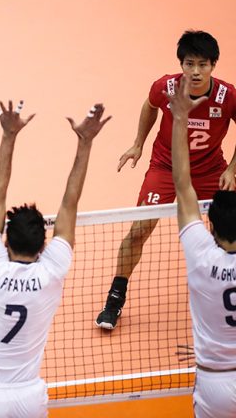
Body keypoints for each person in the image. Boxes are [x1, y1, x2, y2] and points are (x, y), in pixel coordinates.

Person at [0, 100, 109, 417]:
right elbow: (70, 205)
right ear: (44, 246)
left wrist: (9, 136)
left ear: (5, 241)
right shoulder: (52, 271)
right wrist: (85, 142)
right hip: (29, 397)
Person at [96, 30, 236, 330]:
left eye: (202, 64)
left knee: (228, 233)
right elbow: (149, 105)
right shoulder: (166, 87)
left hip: (211, 170)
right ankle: (115, 297)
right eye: (189, 64)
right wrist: (138, 144)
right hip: (165, 168)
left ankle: (226, 292)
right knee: (138, 232)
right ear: (181, 64)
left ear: (213, 65)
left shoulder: (227, 96)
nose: (195, 71)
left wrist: (232, 169)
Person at [169, 73, 236, 417]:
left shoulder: (199, 252)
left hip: (214, 380)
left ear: (210, 224)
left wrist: (180, 118)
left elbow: (183, 184)